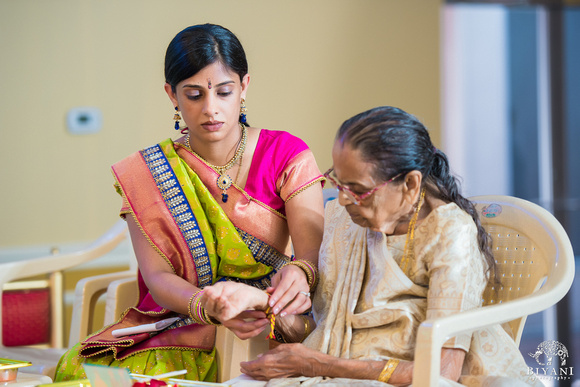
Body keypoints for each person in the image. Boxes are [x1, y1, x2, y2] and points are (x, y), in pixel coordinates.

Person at [55, 23, 324, 383]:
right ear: (172, 95)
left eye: (224, 92)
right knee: (84, 376)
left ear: (244, 87)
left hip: (266, 319)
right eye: (194, 95)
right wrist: (208, 307)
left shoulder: (286, 154)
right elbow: (157, 277)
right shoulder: (147, 173)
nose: (211, 109)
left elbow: (311, 257)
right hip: (177, 322)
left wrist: (300, 272)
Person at [205, 106, 542, 386]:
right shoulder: (342, 219)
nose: (341, 199)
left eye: (357, 189)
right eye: (337, 181)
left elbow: (441, 374)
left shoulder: (451, 235)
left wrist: (318, 365)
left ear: (410, 185)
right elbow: (330, 332)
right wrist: (266, 308)